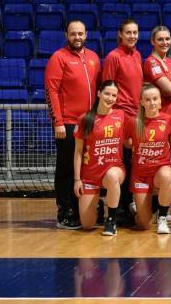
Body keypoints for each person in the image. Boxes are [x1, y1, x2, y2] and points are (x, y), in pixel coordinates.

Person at [45, 20, 102, 229]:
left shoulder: (94, 57)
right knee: (66, 167)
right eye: (73, 34)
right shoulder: (58, 58)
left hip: (90, 122)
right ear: (66, 35)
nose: (77, 37)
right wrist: (58, 122)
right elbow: (51, 91)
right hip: (68, 123)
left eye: (80, 33)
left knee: (87, 167)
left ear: (86, 34)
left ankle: (85, 209)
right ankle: (65, 210)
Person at [102, 19, 144, 226]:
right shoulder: (113, 57)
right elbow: (107, 88)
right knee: (121, 162)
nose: (132, 36)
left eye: (135, 32)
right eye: (128, 32)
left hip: (135, 117)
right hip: (120, 117)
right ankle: (118, 209)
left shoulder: (137, 55)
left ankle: (128, 205)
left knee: (132, 162)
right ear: (120, 34)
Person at [72, 80, 125, 235]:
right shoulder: (85, 119)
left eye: (114, 95)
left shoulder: (121, 115)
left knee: (113, 176)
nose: (110, 98)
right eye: (107, 94)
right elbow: (78, 151)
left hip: (114, 170)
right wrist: (77, 179)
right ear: (99, 93)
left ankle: (111, 220)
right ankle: (99, 208)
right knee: (87, 225)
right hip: (90, 175)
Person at [123, 84, 171, 234]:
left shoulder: (168, 120)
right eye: (148, 99)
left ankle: (162, 217)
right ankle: (146, 207)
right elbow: (125, 142)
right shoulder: (133, 122)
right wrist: (137, 146)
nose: (152, 102)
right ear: (141, 102)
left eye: (155, 99)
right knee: (143, 224)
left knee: (166, 175)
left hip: (159, 169)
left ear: (160, 101)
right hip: (140, 174)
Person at [144, 25, 171, 117]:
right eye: (160, 39)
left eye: (167, 39)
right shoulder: (151, 62)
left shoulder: (170, 62)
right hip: (159, 115)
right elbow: (170, 90)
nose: (165, 42)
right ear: (153, 41)